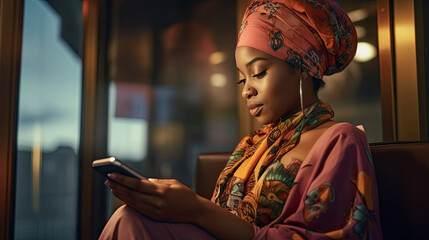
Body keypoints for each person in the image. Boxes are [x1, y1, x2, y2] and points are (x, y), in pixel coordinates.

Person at [99, 0, 383, 239]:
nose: (246, 89)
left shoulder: (340, 139)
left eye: (258, 72)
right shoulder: (251, 146)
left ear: (302, 69)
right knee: (130, 216)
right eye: (241, 79)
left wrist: (197, 208)